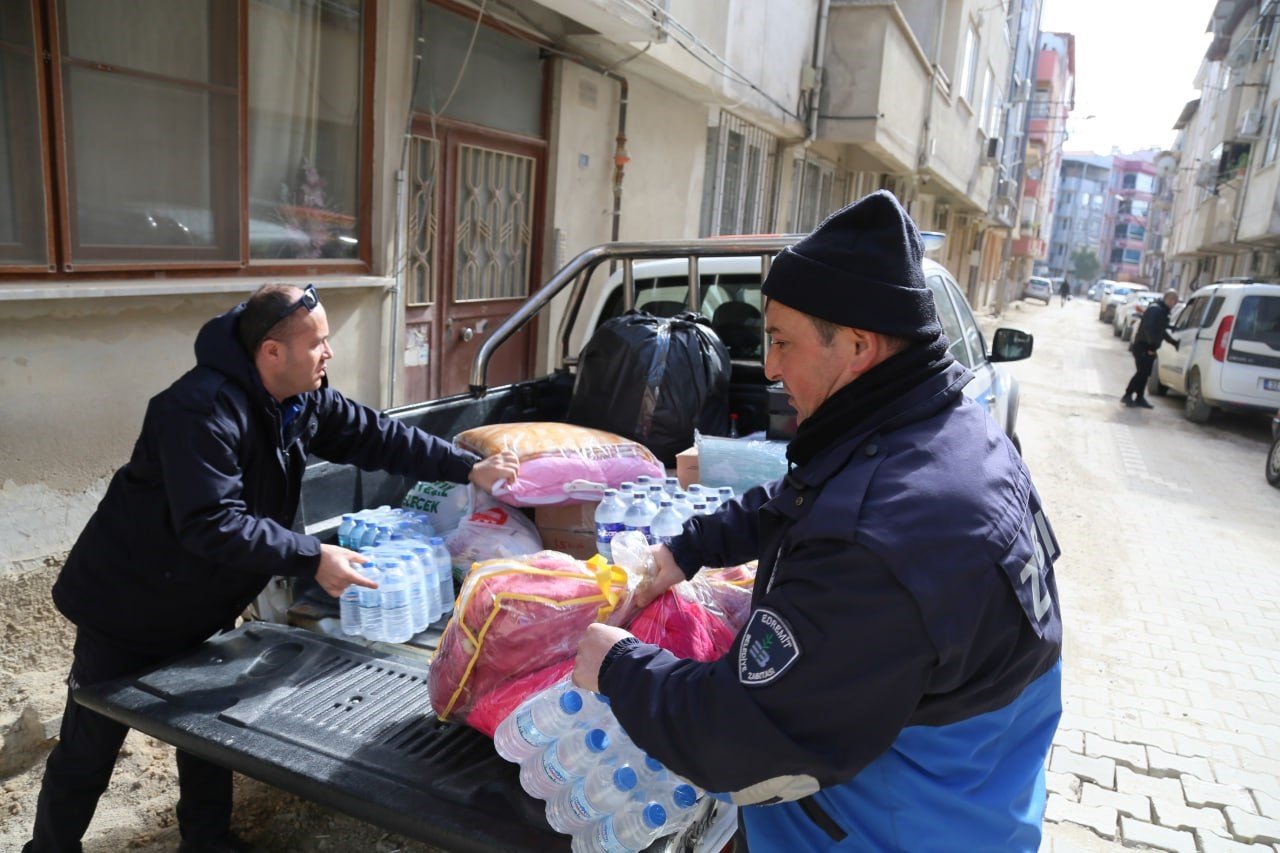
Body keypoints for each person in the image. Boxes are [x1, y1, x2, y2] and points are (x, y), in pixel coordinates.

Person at [573, 191, 1063, 850]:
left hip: (890, 827)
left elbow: (742, 735)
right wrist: (688, 548)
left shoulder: (884, 540)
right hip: (980, 796)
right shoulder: (946, 433)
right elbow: (803, 491)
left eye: (781, 342)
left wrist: (617, 666)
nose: (769, 368)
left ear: (857, 346)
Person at [24, 284, 519, 853]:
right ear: (271, 353)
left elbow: (372, 434)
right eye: (318, 344)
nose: (329, 354)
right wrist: (313, 556)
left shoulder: (299, 398)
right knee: (90, 745)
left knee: (202, 730)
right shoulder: (200, 410)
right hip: (131, 602)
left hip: (202, 597)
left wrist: (466, 467)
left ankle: (207, 841)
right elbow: (211, 521)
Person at [1122, 288, 1180, 409]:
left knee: (1145, 373)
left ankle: (1139, 397)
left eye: (1175, 301)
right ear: (1167, 299)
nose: (1173, 303)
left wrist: (1173, 342)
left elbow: (1161, 331)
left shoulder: (1162, 311)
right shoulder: (1156, 310)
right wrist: (1151, 346)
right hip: (1143, 346)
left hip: (1148, 346)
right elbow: (1149, 328)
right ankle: (1128, 395)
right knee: (1141, 373)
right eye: (1172, 300)